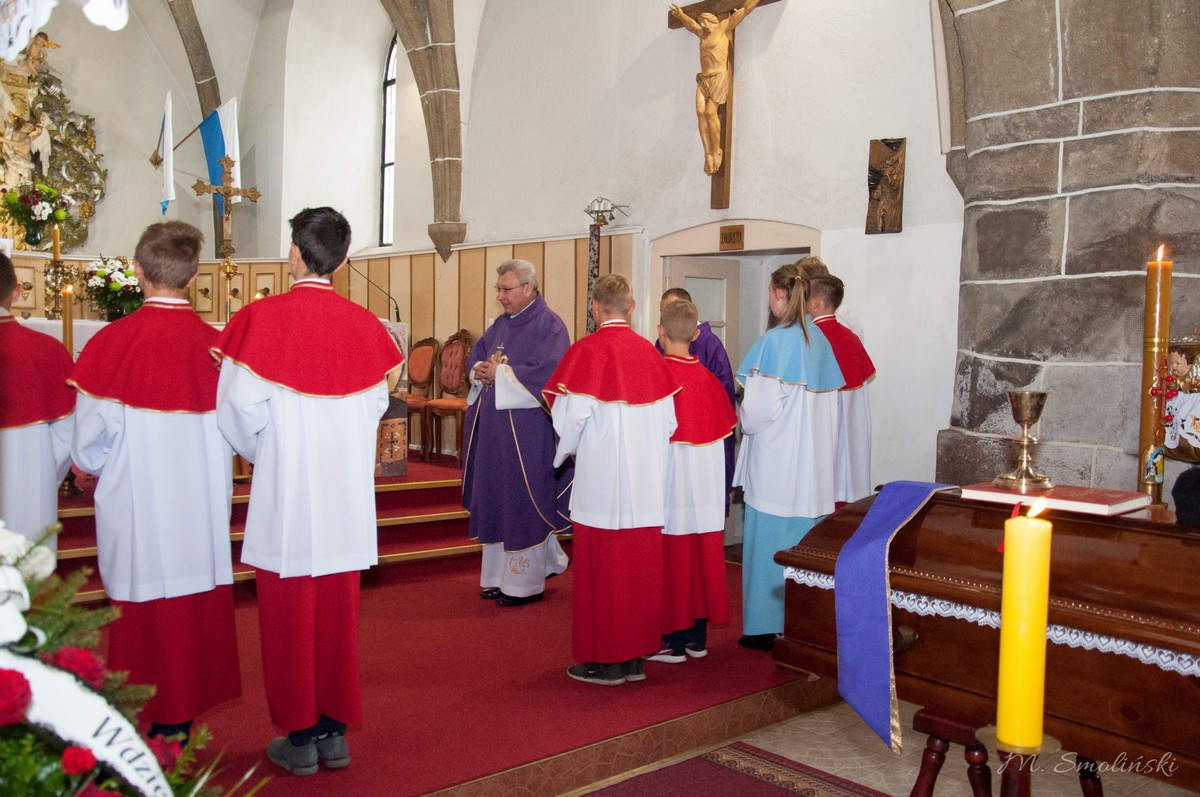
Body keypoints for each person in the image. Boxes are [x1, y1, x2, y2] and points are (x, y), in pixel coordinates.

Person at [212, 207, 403, 776]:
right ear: (342, 262)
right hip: (344, 498)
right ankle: (333, 735)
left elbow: (236, 411)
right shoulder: (365, 327)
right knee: (339, 620)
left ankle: (299, 739)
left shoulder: (260, 319)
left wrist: (270, 452)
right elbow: (375, 407)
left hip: (288, 495)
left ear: (294, 252)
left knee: (288, 617)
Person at [69, 221, 240, 743]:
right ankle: (179, 719)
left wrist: (93, 469)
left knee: (142, 612)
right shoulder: (218, 349)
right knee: (192, 608)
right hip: (200, 507)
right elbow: (243, 431)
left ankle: (147, 723)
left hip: (136, 504)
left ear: (137, 270)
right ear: (194, 278)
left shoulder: (111, 343)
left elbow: (88, 445)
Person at [544, 273, 679, 686]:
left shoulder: (586, 352)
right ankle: (635, 659)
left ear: (595, 307)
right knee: (639, 574)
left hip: (602, 484)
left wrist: (568, 451)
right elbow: (669, 423)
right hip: (645, 484)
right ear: (632, 307)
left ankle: (606, 662)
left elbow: (569, 420)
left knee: (603, 575)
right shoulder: (651, 355)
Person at [734, 265, 843, 650]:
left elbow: (757, 413)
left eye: (770, 291)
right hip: (812, 470)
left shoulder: (774, 342)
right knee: (805, 548)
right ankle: (801, 625)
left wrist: (742, 412)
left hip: (778, 467)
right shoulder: (821, 342)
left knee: (770, 546)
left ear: (780, 295)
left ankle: (765, 627)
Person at [463, 259, 572, 607]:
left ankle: (525, 585)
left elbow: (549, 374)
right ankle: (498, 578)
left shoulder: (550, 326)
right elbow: (478, 356)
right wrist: (478, 370)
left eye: (506, 289)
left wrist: (501, 374)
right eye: (498, 289)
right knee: (497, 497)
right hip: (494, 434)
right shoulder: (500, 324)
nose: (500, 296)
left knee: (523, 500)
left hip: (527, 435)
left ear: (528, 287)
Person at [647, 299, 736, 664]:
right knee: (699, 559)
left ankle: (673, 641)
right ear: (696, 334)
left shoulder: (657, 379)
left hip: (670, 489)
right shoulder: (711, 382)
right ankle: (697, 639)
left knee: (672, 558)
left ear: (660, 332)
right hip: (705, 494)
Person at [0, 252, 73, 558]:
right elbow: (67, 434)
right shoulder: (47, 351)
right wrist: (42, 477)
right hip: (26, 482)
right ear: (16, 292)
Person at [656, 287, 736, 514]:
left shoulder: (711, 345)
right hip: (681, 451)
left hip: (694, 446)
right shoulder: (659, 351)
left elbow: (724, 399)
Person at [670, 0, 762, 175]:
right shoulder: (702, 34)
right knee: (700, 112)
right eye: (701, 23)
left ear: (712, 21)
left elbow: (744, 10)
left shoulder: (723, 28)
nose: (702, 26)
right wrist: (681, 16)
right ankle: (708, 154)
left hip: (718, 76)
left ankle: (716, 150)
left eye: (704, 22)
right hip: (704, 79)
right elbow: (691, 26)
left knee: (710, 112)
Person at [807, 274, 876, 505]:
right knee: (847, 473)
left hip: (820, 426)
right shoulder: (851, 337)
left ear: (815, 303)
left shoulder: (809, 338)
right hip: (852, 426)